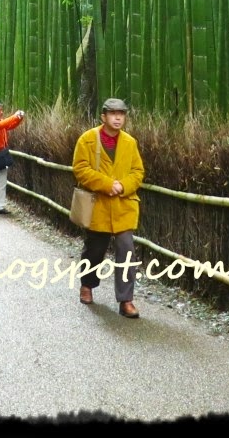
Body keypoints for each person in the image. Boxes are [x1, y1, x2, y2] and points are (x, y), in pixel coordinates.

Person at [73, 97, 145, 318]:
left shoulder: (130, 142)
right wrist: (106, 184)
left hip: (123, 205)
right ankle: (87, 285)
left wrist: (122, 186)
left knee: (126, 251)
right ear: (103, 116)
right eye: (113, 114)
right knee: (95, 249)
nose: (117, 118)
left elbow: (138, 171)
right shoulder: (87, 139)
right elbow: (80, 169)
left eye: (121, 114)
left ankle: (126, 300)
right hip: (99, 205)